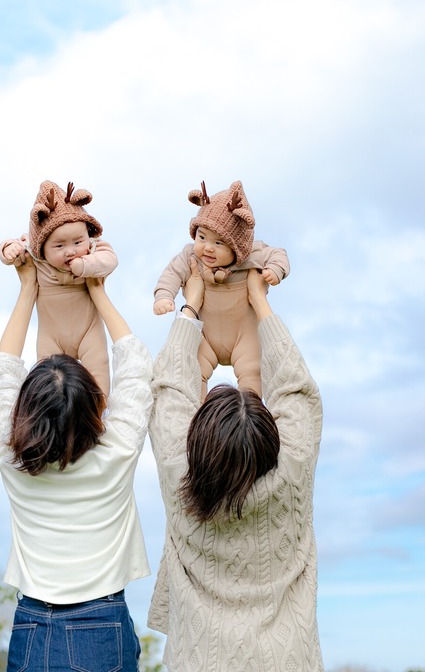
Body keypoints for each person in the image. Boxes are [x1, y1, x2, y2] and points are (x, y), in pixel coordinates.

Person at [147, 260, 323, 671]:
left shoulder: (178, 474)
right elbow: (298, 390)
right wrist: (259, 302)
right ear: (271, 437)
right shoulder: (294, 468)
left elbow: (169, 386)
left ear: (195, 441)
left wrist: (190, 308)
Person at [0, 256, 152, 672]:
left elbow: (4, 369)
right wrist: (98, 294)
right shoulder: (118, 450)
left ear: (25, 410)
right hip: (103, 621)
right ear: (94, 405)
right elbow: (135, 367)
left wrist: (27, 290)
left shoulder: (10, 456)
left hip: (31, 624)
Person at [152, 180, 290, 394]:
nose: (207, 248)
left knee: (253, 372)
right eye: (202, 237)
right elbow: (172, 273)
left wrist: (275, 269)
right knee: (191, 372)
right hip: (204, 333)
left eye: (219, 243)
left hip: (243, 333)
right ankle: (199, 415)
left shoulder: (251, 255)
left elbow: (278, 253)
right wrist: (164, 296)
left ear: (238, 248)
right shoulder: (190, 256)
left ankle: (247, 415)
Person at [0, 180, 117, 392]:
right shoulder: (36, 256)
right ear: (41, 246)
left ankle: (99, 410)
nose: (70, 251)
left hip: (88, 329)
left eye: (77, 242)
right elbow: (13, 246)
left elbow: (110, 260)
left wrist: (86, 265)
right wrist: (10, 250)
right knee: (48, 377)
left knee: (98, 370)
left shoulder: (92, 250)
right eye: (60, 246)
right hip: (51, 335)